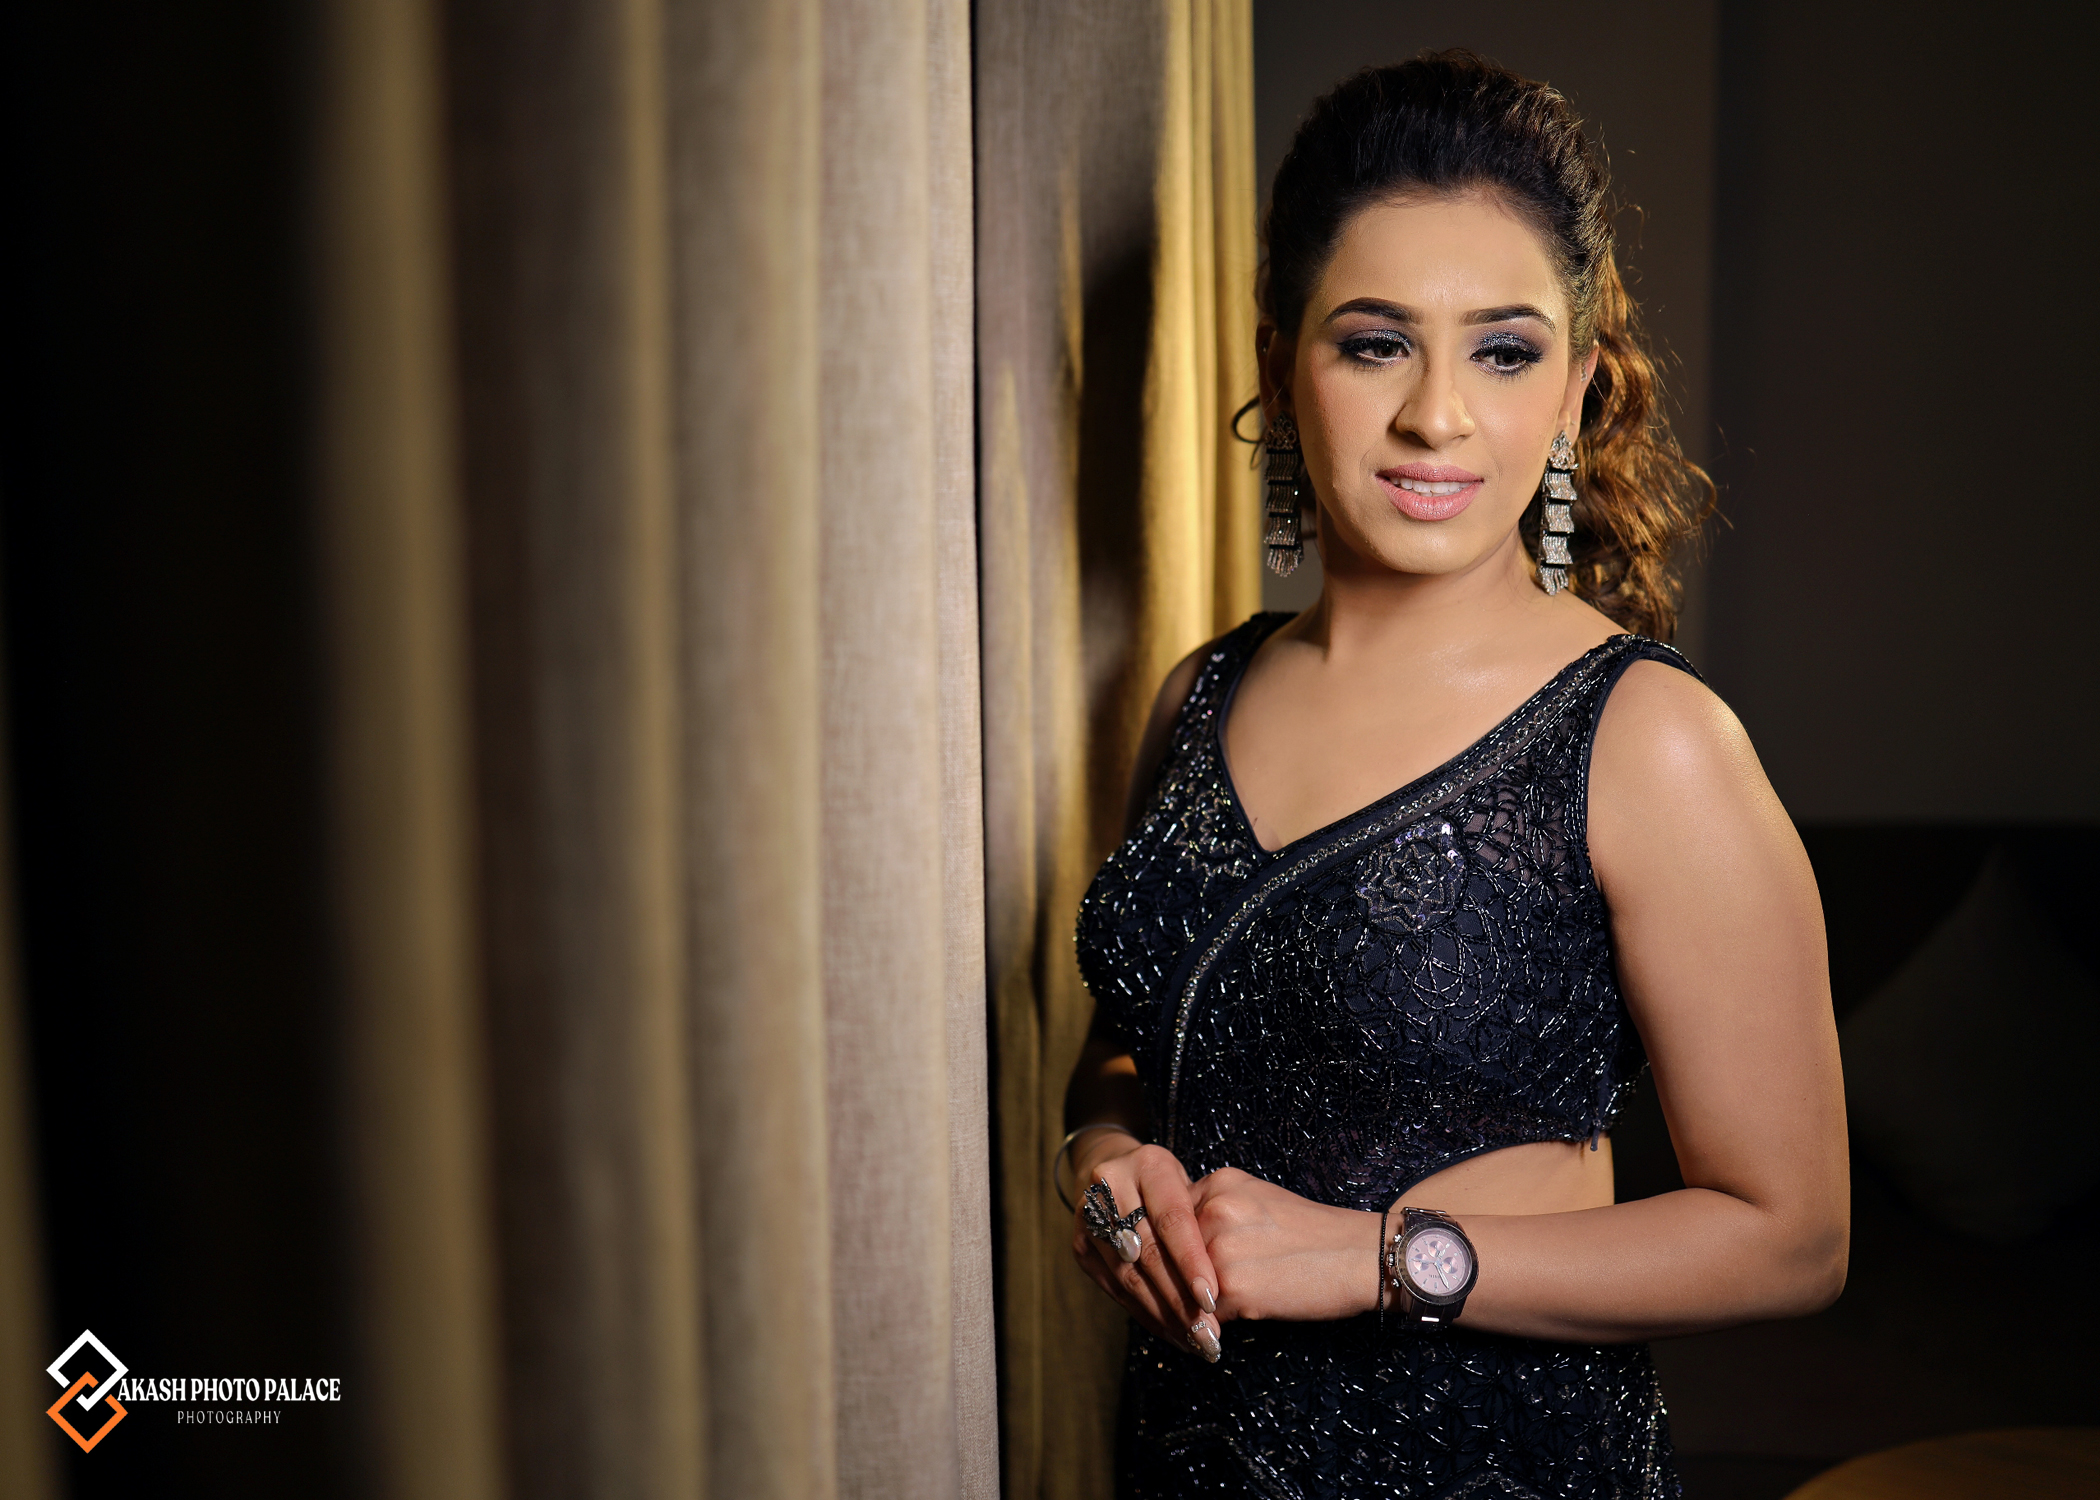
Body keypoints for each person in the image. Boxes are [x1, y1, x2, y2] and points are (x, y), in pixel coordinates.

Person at [1061, 52, 1847, 1499]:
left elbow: (1791, 1236)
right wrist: (1105, 1162)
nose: (1438, 416)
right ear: (1280, 366)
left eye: (1504, 352)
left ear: (1577, 391)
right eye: (1376, 344)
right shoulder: (1195, 696)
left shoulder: (1646, 739)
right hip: (1185, 1459)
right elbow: (1132, 1044)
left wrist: (1375, 1259)